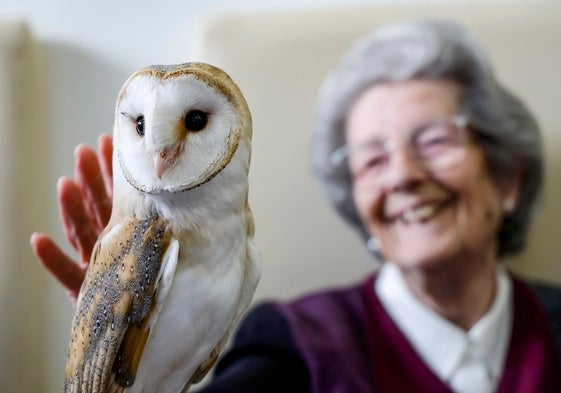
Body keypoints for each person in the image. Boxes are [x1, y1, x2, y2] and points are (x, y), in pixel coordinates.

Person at [31, 19, 561, 392]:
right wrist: (126, 338)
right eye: (371, 156)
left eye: (434, 140)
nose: (403, 174)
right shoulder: (294, 342)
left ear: (508, 176)